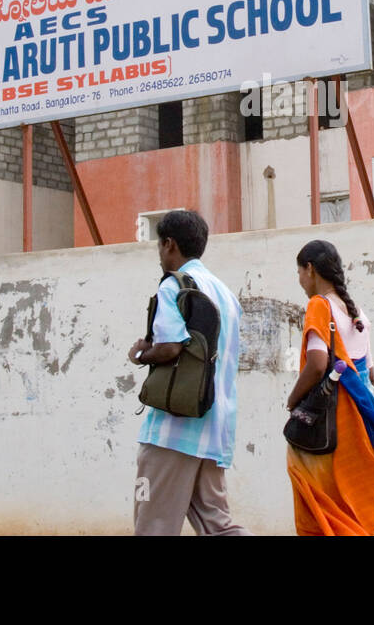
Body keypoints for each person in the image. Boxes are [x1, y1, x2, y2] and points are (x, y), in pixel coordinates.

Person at [285, 239, 374, 536]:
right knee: (352, 504)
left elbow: (318, 364)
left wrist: (293, 398)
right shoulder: (358, 313)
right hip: (363, 423)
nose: (299, 280)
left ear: (310, 269)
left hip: (331, 425)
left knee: (321, 502)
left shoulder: (318, 306)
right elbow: (372, 378)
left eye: (299, 272)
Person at [126, 209, 250, 536]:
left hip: (172, 431)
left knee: (152, 524)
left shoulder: (174, 286)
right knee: (219, 526)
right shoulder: (226, 294)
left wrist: (140, 354)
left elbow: (169, 347)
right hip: (215, 430)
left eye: (160, 246)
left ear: (169, 244)